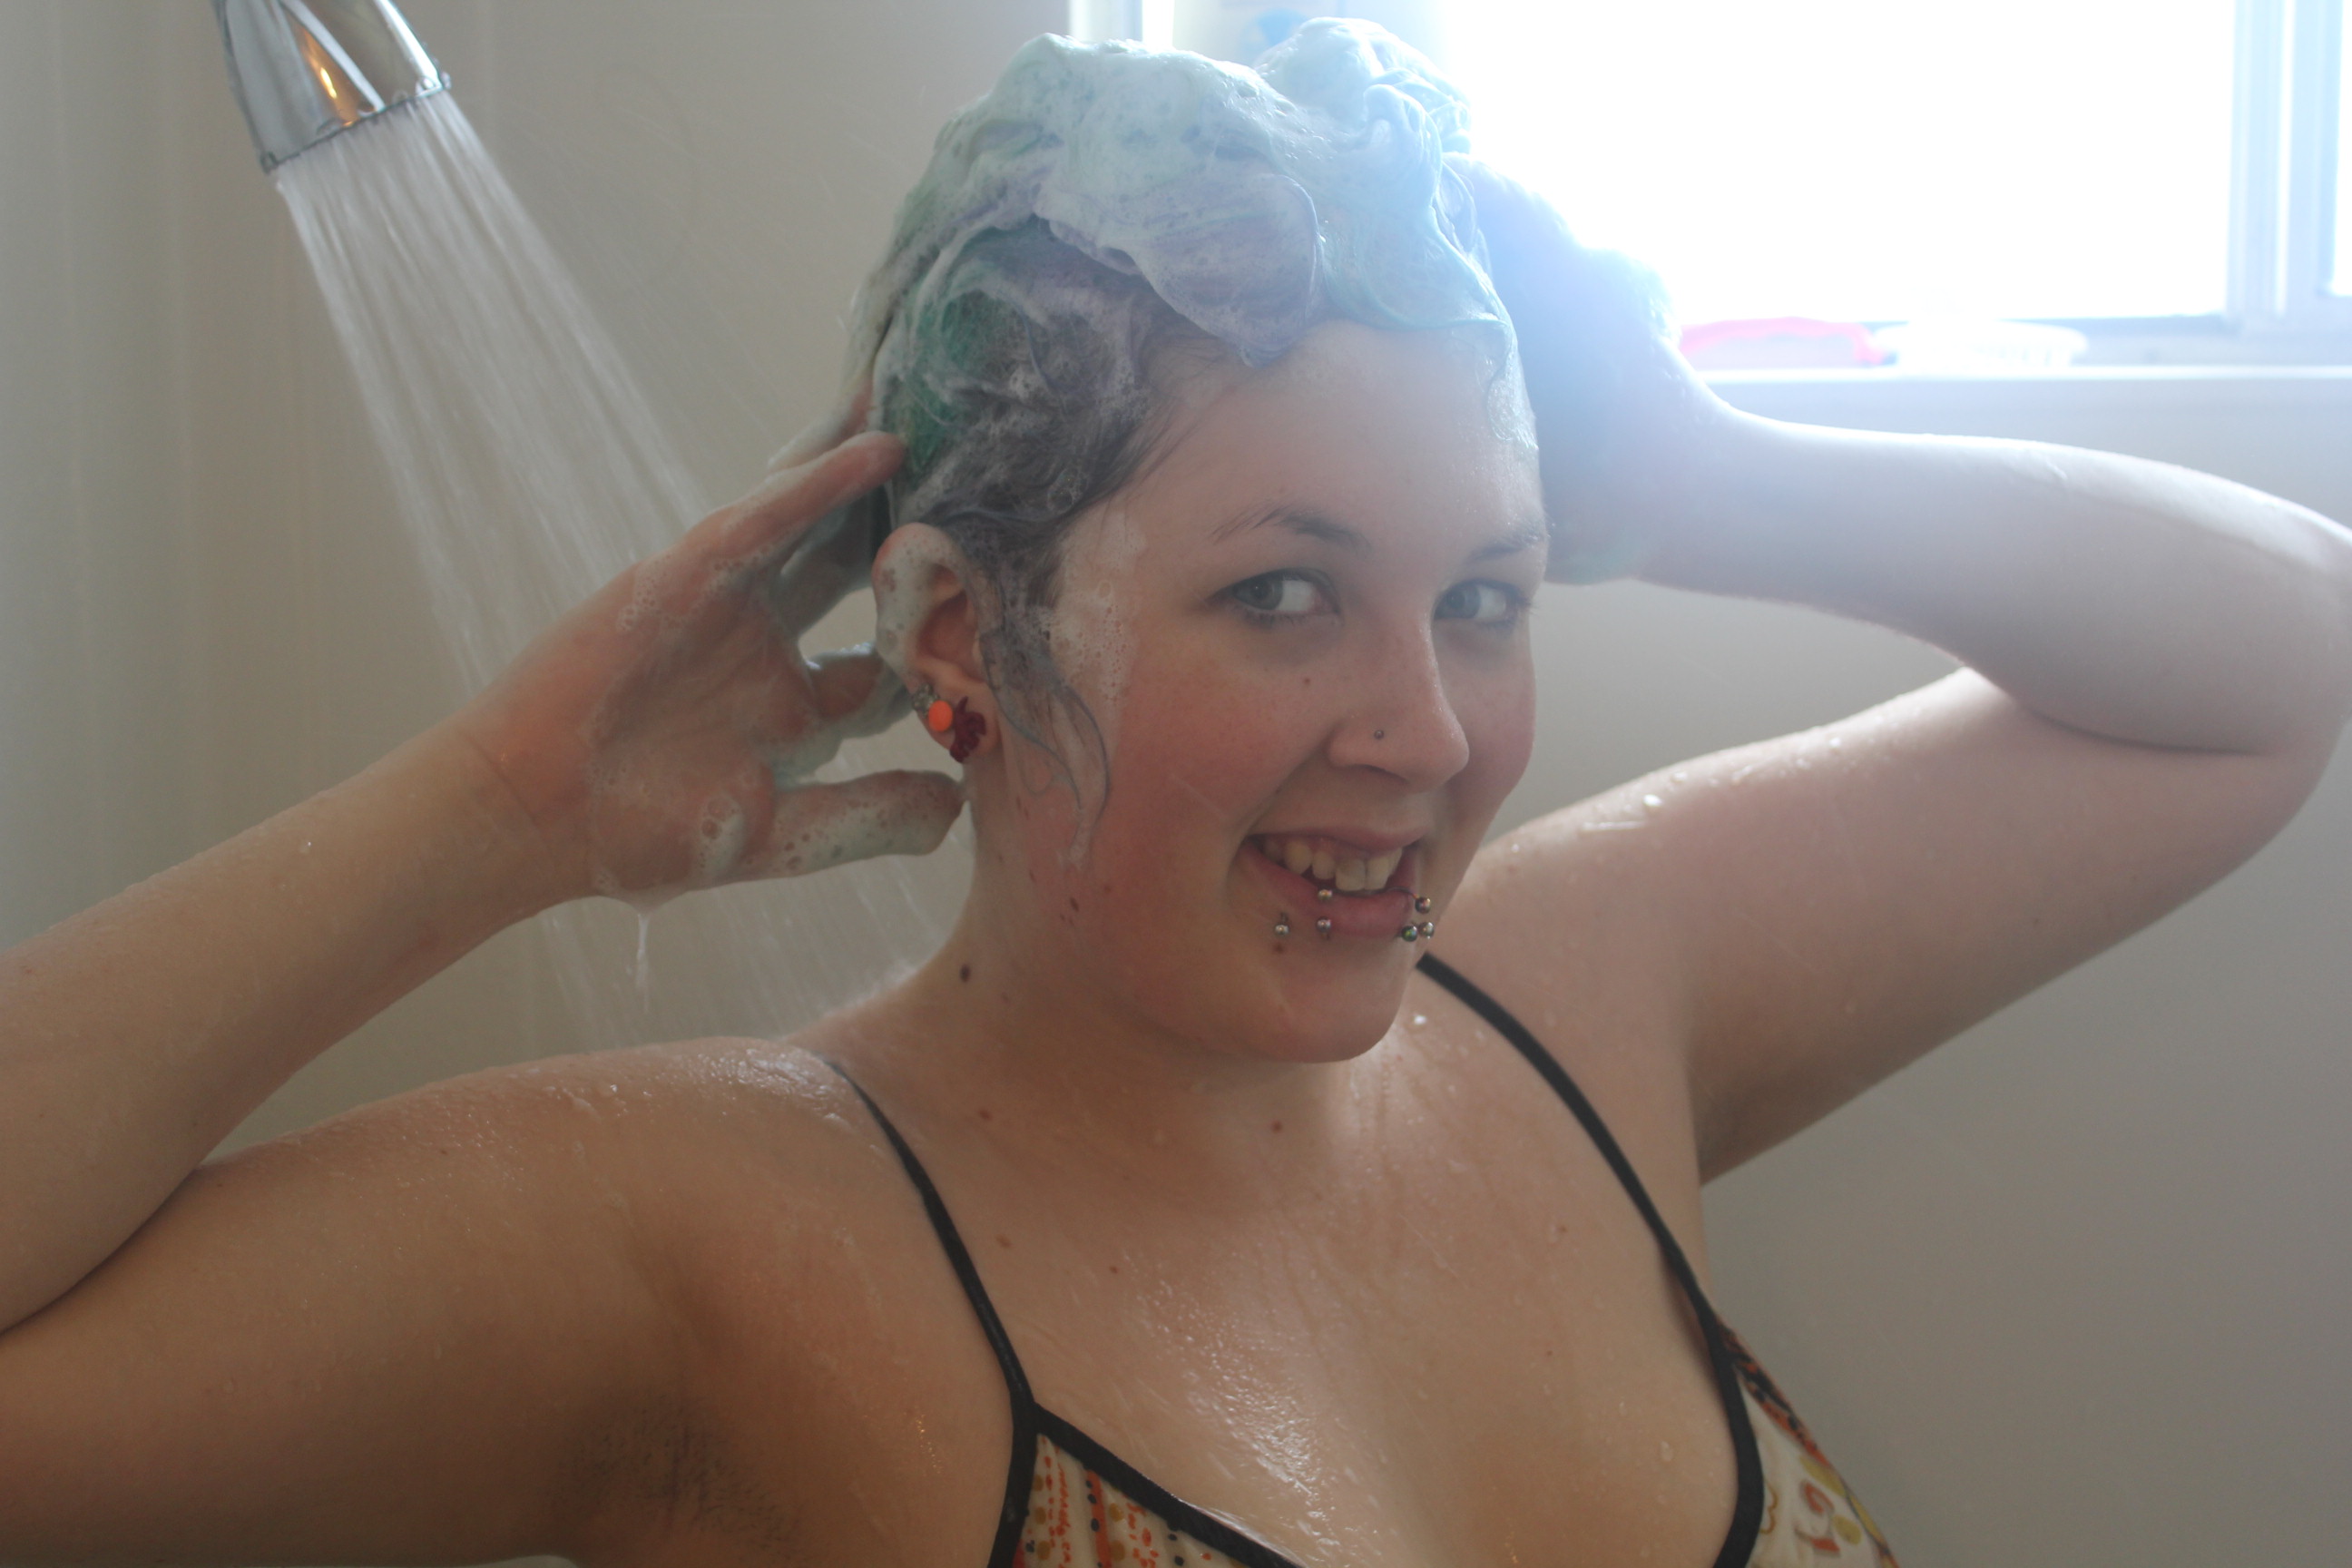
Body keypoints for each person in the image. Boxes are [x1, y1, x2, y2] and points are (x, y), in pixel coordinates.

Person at [1, 20, 2345, 1568]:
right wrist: (504, 805)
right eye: (1284, 595)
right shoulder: (715, 1240)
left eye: (1490, 596)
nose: (1429, 732)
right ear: (957, 639)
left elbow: (2279, 659)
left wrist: (1710, 477)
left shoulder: (1589, 999)